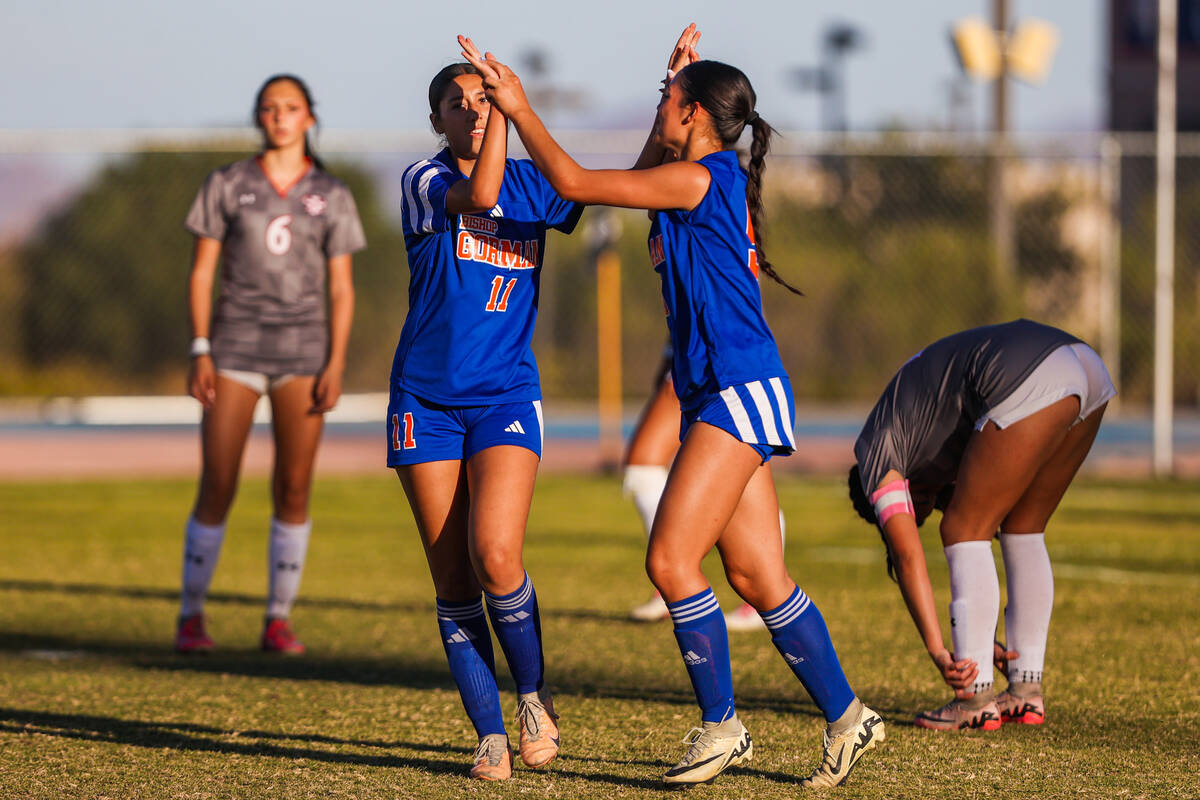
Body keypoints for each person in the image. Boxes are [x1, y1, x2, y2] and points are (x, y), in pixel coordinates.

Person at [462, 25, 883, 789]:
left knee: (669, 559)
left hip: (736, 388)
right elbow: (630, 176)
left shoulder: (700, 180)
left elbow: (580, 184)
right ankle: (851, 718)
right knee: (757, 574)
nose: (659, 103)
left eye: (668, 99)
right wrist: (681, 81)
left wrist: (519, 109)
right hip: (721, 390)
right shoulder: (693, 172)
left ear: (693, 116)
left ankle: (721, 726)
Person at [387, 51, 583, 781]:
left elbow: (610, 184)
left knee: (496, 554)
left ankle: (534, 697)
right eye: (459, 103)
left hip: (504, 394)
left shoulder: (535, 184)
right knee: (453, 579)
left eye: (483, 99)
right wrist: (507, 107)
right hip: (426, 401)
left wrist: (673, 98)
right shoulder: (424, 180)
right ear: (435, 119)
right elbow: (483, 191)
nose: (474, 110)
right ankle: (490, 734)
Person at [848, 319, 1114, 731]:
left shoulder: (873, 454)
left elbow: (906, 553)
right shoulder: (919, 442)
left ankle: (973, 702)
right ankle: (1025, 692)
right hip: (1086, 366)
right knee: (1023, 527)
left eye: (915, 508)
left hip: (1030, 372)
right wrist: (977, 635)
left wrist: (939, 650)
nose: (922, 508)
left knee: (960, 529)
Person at [176, 74, 365, 656]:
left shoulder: (331, 192)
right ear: (259, 118)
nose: (279, 117)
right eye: (269, 108)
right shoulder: (228, 183)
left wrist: (335, 361)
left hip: (303, 352)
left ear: (310, 117)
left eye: (291, 107)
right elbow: (203, 271)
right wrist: (201, 347)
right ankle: (192, 616)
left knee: (294, 486)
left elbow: (341, 289)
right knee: (220, 480)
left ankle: (277, 617)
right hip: (234, 348)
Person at [625, 348, 784, 631]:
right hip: (697, 361)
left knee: (647, 468)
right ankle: (764, 587)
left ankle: (766, 587)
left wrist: (691, 355)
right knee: (738, 478)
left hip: (715, 363)